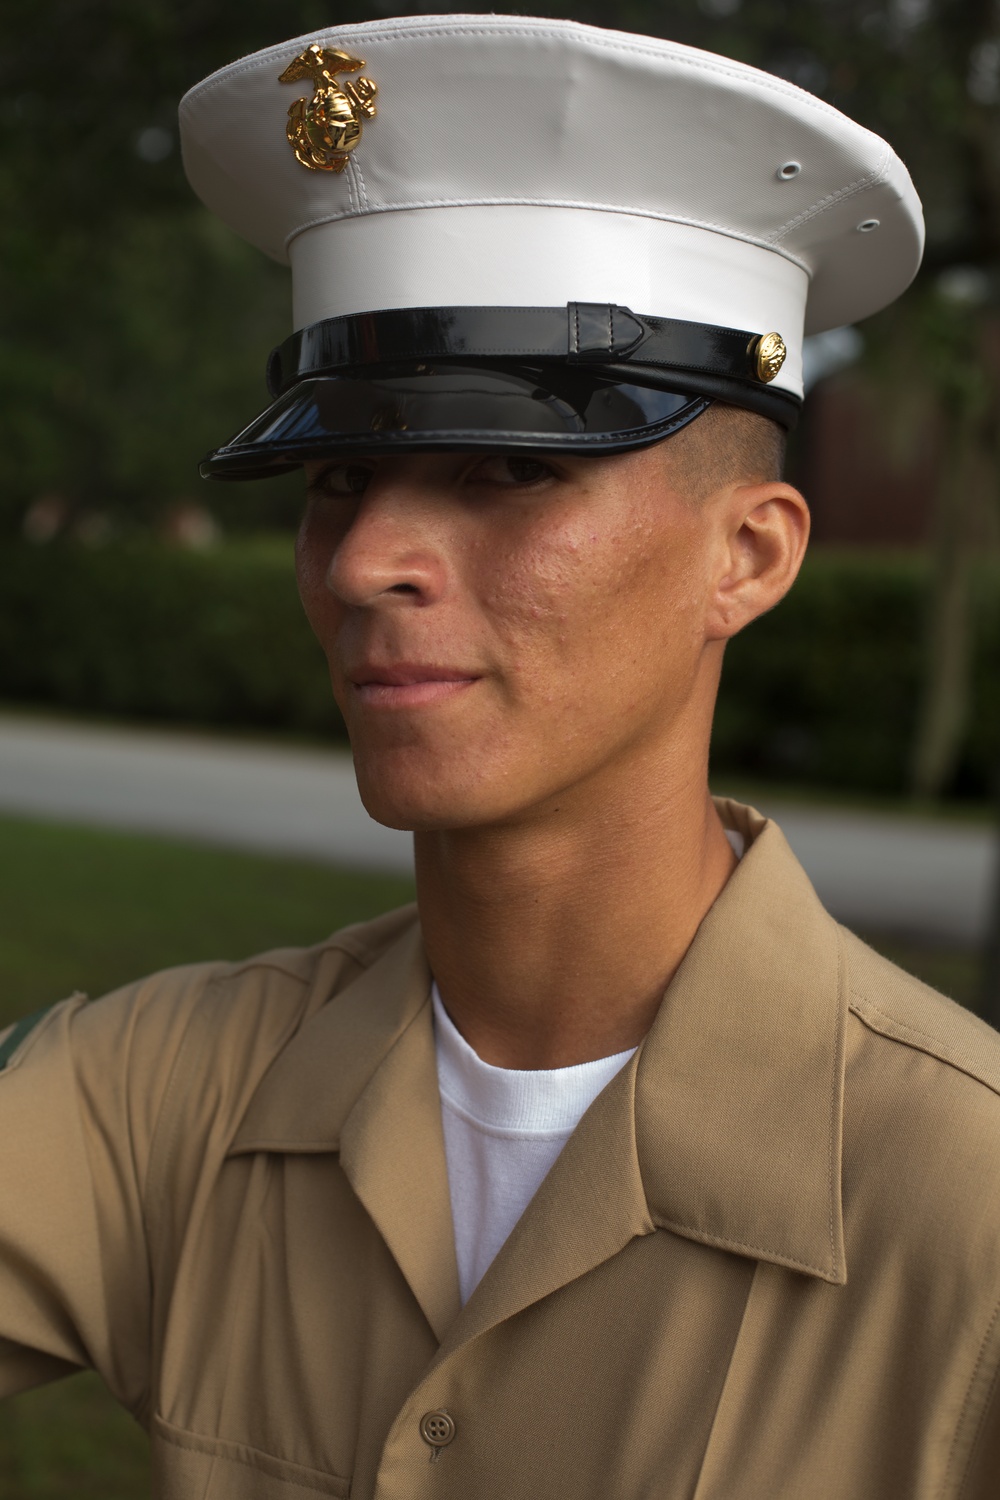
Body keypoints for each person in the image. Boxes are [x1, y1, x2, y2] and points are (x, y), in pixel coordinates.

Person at [2, 15, 999, 1498]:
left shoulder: (964, 1207)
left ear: (749, 555)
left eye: (507, 472)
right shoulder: (149, 1099)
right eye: (339, 479)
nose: (363, 563)